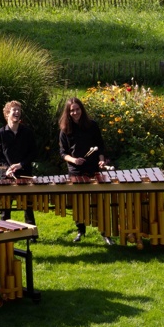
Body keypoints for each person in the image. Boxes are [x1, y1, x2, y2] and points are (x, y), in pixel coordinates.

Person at [58, 97, 111, 244]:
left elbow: (100, 145)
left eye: (77, 109)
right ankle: (81, 230)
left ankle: (105, 232)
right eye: (72, 110)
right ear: (68, 112)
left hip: (93, 167)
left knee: (99, 201)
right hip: (76, 170)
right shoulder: (65, 130)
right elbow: (63, 153)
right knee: (78, 203)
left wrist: (101, 159)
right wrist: (74, 160)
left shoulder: (92, 125)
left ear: (82, 109)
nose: (75, 112)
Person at [0, 100, 37, 226]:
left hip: (24, 173)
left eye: (19, 110)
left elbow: (33, 153)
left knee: (28, 207)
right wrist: (7, 168)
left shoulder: (27, 132)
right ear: (7, 114)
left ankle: (31, 234)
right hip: (6, 175)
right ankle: (5, 234)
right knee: (5, 208)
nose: (17, 112)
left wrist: (21, 164)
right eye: (14, 110)